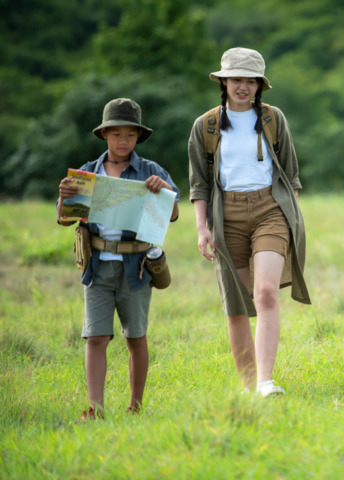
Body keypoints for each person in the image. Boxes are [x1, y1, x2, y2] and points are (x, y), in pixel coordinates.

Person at [188, 47, 310, 397]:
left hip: (270, 209)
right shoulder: (205, 125)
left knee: (266, 292)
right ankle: (247, 385)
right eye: (236, 79)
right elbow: (199, 183)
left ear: (260, 86)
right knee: (239, 303)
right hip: (225, 215)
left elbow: (291, 174)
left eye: (250, 81)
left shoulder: (273, 119)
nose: (242, 86)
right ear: (223, 82)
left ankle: (265, 382)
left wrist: (291, 218)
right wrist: (202, 227)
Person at [57, 98, 180, 420]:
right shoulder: (88, 173)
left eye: (129, 134)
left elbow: (174, 213)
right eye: (116, 134)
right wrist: (64, 198)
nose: (123, 141)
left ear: (138, 137)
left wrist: (164, 189)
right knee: (95, 335)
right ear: (104, 136)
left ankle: (135, 406)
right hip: (97, 264)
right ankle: (95, 407)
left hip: (136, 266)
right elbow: (66, 218)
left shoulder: (151, 172)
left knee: (135, 335)